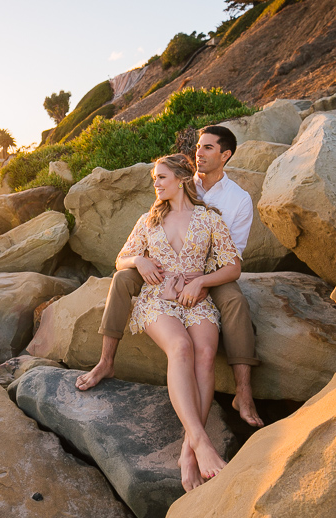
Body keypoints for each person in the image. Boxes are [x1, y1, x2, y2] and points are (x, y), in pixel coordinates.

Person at [76, 126, 264, 430]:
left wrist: (201, 279)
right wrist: (141, 260)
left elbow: (233, 255)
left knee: (235, 302)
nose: (199, 154)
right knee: (123, 279)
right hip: (159, 274)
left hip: (210, 269)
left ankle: (243, 391)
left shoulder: (236, 200)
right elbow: (146, 235)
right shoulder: (168, 196)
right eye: (198, 148)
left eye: (207, 149)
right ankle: (106, 360)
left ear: (225, 155)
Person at [101, 153, 240, 491]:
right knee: (180, 347)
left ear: (181, 178)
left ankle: (187, 454)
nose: (157, 184)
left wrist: (201, 282)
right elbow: (121, 259)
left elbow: (233, 266)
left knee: (206, 354)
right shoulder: (147, 220)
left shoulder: (210, 219)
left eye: (161, 177)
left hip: (197, 301)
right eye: (154, 180)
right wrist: (139, 261)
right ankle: (201, 443)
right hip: (157, 299)